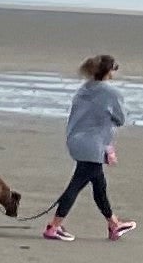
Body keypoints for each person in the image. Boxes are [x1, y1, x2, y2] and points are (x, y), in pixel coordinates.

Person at [46, 55, 135, 240]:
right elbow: (121, 119)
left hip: (76, 140)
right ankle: (53, 226)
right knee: (77, 183)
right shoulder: (111, 93)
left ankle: (113, 224)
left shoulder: (83, 89)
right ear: (109, 71)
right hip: (93, 144)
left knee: (99, 184)